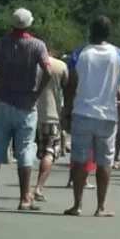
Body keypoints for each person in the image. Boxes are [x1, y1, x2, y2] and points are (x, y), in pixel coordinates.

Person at [62, 15, 120, 217]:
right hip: (107, 115)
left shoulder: (80, 53)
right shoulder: (119, 54)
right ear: (109, 33)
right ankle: (100, 206)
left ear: (90, 31)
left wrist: (67, 112)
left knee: (79, 161)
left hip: (82, 112)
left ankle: (77, 205)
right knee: (104, 162)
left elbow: (70, 85)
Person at [0, 8, 52, 211]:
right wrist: (37, 91)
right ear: (29, 24)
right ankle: (25, 197)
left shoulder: (0, 44)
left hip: (3, 101)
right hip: (27, 104)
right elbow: (48, 70)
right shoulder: (37, 45)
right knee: (25, 149)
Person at [33, 48, 68, 201]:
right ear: (51, 51)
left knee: (26, 152)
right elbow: (67, 89)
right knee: (49, 153)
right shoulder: (60, 66)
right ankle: (38, 187)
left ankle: (25, 190)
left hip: (29, 113)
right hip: (51, 114)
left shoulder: (30, 64)